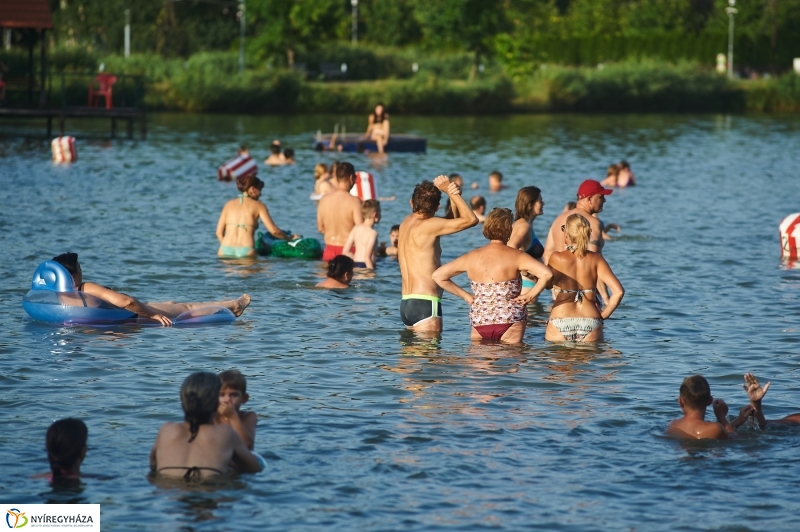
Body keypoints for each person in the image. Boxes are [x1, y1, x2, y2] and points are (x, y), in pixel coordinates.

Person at [432, 208, 553, 343]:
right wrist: (529, 296)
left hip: (480, 319)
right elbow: (546, 274)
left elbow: (438, 276)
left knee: (480, 355)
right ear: (509, 230)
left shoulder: (471, 256)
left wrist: (466, 296)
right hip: (510, 317)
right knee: (512, 356)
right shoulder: (517, 256)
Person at [52, 253, 251, 327]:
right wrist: (154, 315)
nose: (82, 270)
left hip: (118, 322)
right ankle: (234, 305)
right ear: (73, 275)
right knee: (183, 307)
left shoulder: (60, 298)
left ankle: (231, 304)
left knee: (170, 304)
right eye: (79, 267)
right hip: (133, 317)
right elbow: (126, 302)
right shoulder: (85, 287)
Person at [398, 176, 479, 333]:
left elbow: (449, 221)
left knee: (410, 350)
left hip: (407, 303)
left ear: (411, 202)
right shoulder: (430, 225)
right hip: (426, 303)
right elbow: (471, 219)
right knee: (432, 350)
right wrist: (452, 193)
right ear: (437, 206)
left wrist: (453, 196)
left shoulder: (406, 222)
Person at [150, 372, 263, 481]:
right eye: (221, 395)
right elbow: (255, 468)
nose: (226, 400)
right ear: (215, 403)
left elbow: (153, 465)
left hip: (167, 487)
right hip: (209, 485)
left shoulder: (165, 429)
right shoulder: (226, 433)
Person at [545, 214, 624, 342]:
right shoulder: (596, 258)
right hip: (590, 320)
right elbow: (619, 292)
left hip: (560, 318)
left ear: (567, 234)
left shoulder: (557, 257)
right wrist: (604, 315)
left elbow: (547, 285)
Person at [216, 174, 297, 258]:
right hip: (246, 251)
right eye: (260, 190)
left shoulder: (228, 205)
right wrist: (290, 238)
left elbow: (218, 233)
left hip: (224, 250)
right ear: (253, 189)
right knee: (269, 265)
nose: (260, 194)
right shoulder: (259, 206)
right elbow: (274, 231)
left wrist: (228, 248)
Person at [543, 179, 612, 265]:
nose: (604, 200)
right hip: (579, 273)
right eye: (601, 197)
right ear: (590, 199)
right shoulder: (592, 222)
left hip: (558, 272)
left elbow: (547, 254)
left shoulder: (558, 220)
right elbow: (593, 260)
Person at [666, 375, 752, 440]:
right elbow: (735, 438)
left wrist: (737, 421)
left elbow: (720, 432)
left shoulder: (672, 424)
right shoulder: (715, 429)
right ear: (710, 401)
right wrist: (721, 416)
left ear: (680, 402)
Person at [317, 162, 363, 261]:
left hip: (329, 251)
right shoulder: (355, 201)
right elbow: (361, 230)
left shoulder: (324, 199)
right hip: (349, 252)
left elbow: (320, 228)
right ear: (351, 178)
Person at [216, 370, 257, 450]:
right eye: (222, 395)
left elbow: (247, 445)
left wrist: (233, 417)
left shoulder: (248, 417)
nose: (227, 400)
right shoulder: (212, 417)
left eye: (233, 395)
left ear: (244, 398)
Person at [344, 199, 381, 269]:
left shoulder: (356, 228)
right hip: (367, 266)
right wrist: (371, 272)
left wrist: (355, 260)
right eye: (380, 212)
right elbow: (367, 257)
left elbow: (345, 252)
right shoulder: (373, 233)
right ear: (375, 214)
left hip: (355, 265)